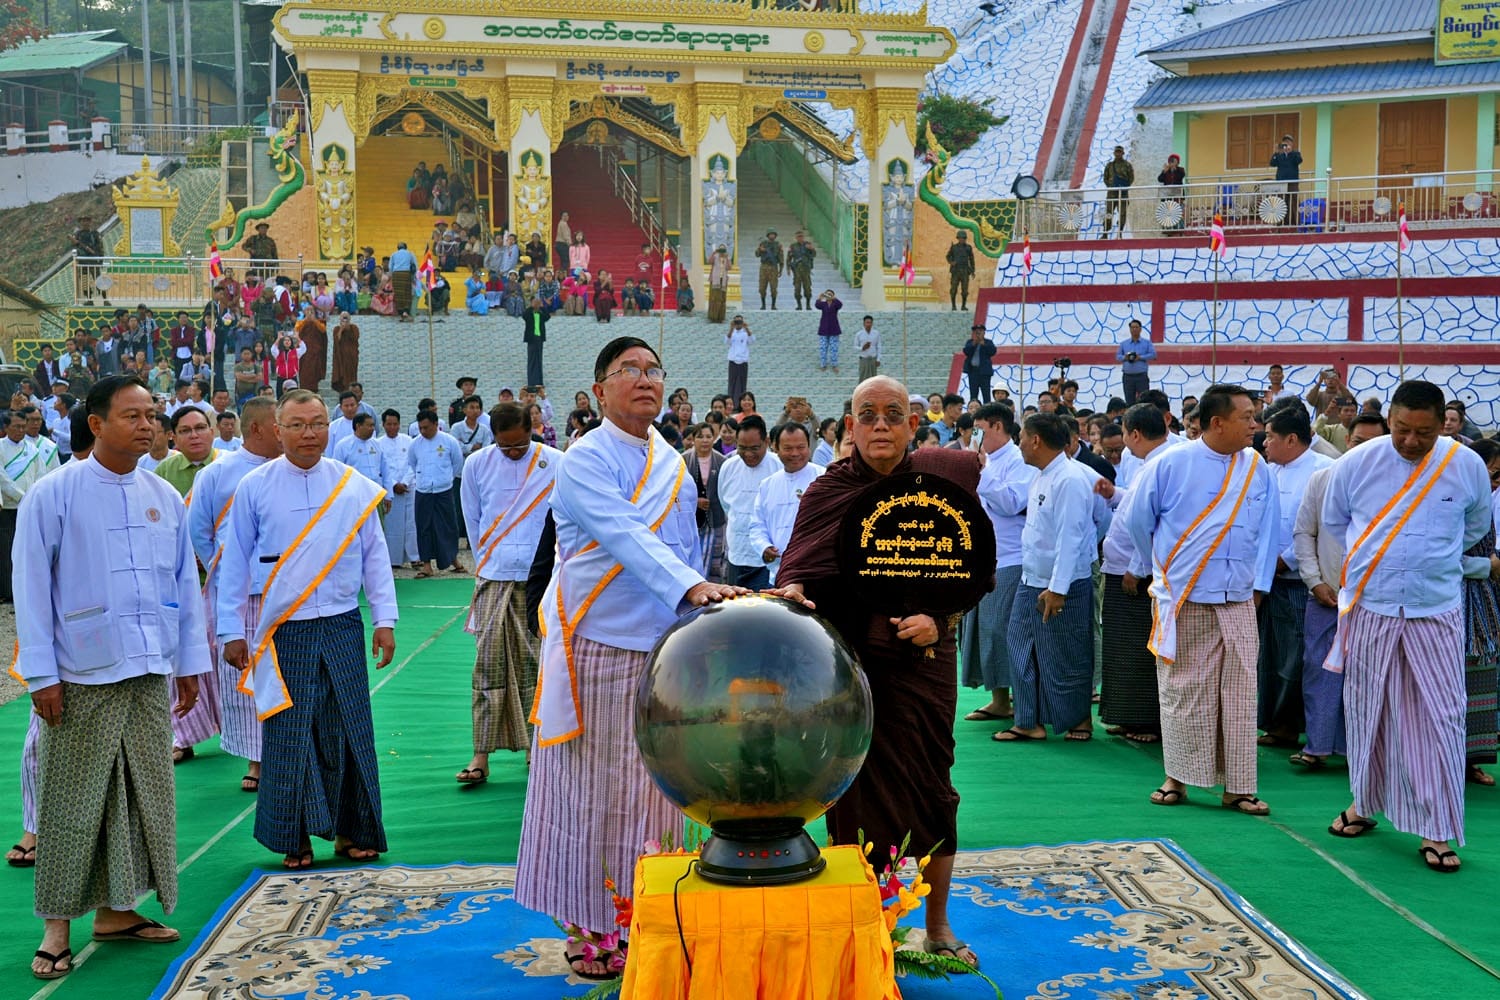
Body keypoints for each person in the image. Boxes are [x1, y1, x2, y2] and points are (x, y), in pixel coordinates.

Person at [516, 337, 743, 980]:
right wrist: (691, 588)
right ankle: (591, 924)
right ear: (601, 386)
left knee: (658, 791)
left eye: (652, 370)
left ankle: (649, 914)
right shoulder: (582, 459)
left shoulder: (667, 458)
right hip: (596, 645)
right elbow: (626, 536)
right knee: (592, 789)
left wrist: (698, 607)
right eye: (629, 371)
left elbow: (681, 545)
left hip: (663, 647)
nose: (644, 380)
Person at [772, 374, 984, 969]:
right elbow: (801, 567)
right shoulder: (827, 492)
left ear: (914, 425)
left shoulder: (941, 484)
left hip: (923, 662)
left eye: (894, 414)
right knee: (853, 792)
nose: (882, 425)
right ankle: (862, 924)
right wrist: (792, 588)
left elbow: (972, 570)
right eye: (869, 415)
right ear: (850, 427)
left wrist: (942, 620)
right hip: (851, 665)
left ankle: (937, 924)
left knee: (932, 788)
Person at [16, 375, 211, 979]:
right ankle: (56, 926)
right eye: (133, 416)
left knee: (141, 793)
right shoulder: (53, 494)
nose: (148, 425)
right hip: (80, 673)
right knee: (72, 802)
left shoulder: (162, 494)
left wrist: (189, 664)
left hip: (150, 665)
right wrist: (41, 675)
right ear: (96, 424)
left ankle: (118, 911)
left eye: (152, 414)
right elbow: (30, 590)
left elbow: (183, 583)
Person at [218, 389, 396, 870]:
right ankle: (292, 837)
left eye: (317, 423)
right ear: (278, 429)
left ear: (330, 425)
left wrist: (384, 621)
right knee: (288, 731)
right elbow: (234, 562)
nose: (309, 433)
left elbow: (375, 557)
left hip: (341, 622)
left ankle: (352, 831)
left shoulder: (352, 486)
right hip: (284, 629)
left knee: (350, 728)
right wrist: (230, 629)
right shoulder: (255, 486)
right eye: (297, 424)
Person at [1321, 380, 1491, 872]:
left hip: (1435, 608)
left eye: (1424, 432)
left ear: (1443, 425)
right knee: (1367, 709)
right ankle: (1363, 803)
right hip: (1371, 604)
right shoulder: (1357, 462)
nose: (1411, 441)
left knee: (1441, 717)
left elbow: (1475, 526)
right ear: (1389, 418)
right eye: (1401, 430)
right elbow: (1336, 523)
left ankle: (1436, 830)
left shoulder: (1467, 466)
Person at [1124, 384, 1278, 815]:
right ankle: (1176, 778)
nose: (1255, 425)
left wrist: (1259, 585)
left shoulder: (1256, 467)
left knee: (1241, 692)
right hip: (1185, 595)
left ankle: (1239, 787)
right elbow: (1139, 522)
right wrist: (1163, 572)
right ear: (1218, 422)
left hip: (1239, 598)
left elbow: (1267, 530)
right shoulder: (1171, 463)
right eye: (1247, 417)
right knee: (1185, 691)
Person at [457, 403, 561, 783]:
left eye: (521, 444)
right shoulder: (477, 465)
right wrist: (489, 563)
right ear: (494, 438)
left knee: (539, 667)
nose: (514, 451)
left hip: (540, 581)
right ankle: (480, 755)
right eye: (506, 446)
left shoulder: (556, 462)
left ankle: (539, 751)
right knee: (487, 665)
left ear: (532, 429)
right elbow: (472, 520)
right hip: (494, 577)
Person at [186, 396, 281, 795]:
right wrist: (227, 571)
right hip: (237, 594)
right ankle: (256, 760)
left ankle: (290, 754)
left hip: (287, 592)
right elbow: (198, 532)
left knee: (289, 675)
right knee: (242, 678)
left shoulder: (292, 470)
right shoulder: (217, 473)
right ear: (257, 428)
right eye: (282, 425)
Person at [1290, 413, 1387, 770]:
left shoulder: (1395, 487)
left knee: (1368, 675)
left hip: (1374, 601)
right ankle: (1316, 747)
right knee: (1319, 670)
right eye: (1359, 441)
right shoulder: (1323, 479)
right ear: (1348, 440)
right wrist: (1314, 581)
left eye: (1375, 443)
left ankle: (1358, 751)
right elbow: (1304, 534)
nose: (1365, 449)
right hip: (1326, 596)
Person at [995, 413, 1100, 742]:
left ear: (1036, 440)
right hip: (1031, 579)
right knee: (1018, 645)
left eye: (1022, 437)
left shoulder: (1069, 479)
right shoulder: (1039, 475)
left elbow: (1071, 539)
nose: (1019, 444)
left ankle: (1079, 719)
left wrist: (1058, 589)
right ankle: (1028, 720)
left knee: (1067, 652)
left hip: (1062, 584)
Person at [1257, 405, 1334, 748]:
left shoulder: (1325, 470)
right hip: (1263, 580)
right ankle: (1277, 724)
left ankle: (1298, 726)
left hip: (1302, 581)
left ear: (1291, 438)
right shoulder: (1265, 471)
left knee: (1298, 656)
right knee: (1267, 656)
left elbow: (1319, 528)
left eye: (1270, 437)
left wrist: (1285, 561)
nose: (1265, 444)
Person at [1097, 403, 1171, 744]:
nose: (1124, 442)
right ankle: (1128, 716)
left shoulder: (1164, 462)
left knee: (1138, 650)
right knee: (1121, 648)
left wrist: (1137, 567)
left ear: (1135, 434)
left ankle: (1145, 721)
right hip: (1125, 566)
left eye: (1125, 434)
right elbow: (1135, 507)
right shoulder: (1148, 463)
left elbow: (1149, 523)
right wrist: (1115, 495)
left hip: (1137, 572)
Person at [961, 402, 1034, 725]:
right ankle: (998, 698)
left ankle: (1016, 698)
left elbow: (1012, 502)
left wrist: (984, 470)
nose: (976, 437)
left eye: (980, 430)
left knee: (1003, 629)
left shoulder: (1019, 461)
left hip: (1010, 556)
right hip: (981, 557)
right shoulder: (982, 462)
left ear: (998, 427)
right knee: (983, 629)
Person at [747, 423, 824, 586]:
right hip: (778, 575)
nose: (795, 453)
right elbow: (757, 525)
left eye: (801, 447)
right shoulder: (767, 485)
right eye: (788, 448)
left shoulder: (824, 478)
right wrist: (764, 547)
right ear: (776, 448)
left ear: (809, 447)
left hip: (816, 575)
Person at [717, 414, 784, 591]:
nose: (748, 454)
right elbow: (725, 504)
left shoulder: (779, 467)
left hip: (769, 559)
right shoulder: (728, 467)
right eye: (742, 448)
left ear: (767, 442)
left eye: (755, 448)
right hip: (737, 553)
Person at [407, 411, 465, 578]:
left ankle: (453, 560)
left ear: (435, 424)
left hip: (443, 490)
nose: (423, 431)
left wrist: (444, 479)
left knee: (448, 526)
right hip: (423, 490)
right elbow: (412, 463)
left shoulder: (449, 441)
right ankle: (426, 565)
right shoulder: (415, 444)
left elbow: (457, 463)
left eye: (426, 427)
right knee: (424, 526)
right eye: (420, 428)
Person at [378, 410, 420, 569]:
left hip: (408, 487)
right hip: (391, 489)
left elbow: (413, 464)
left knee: (411, 523)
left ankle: (415, 557)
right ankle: (393, 559)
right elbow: (382, 468)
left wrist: (405, 482)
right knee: (392, 524)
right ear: (383, 425)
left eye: (395, 424)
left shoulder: (409, 441)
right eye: (389, 424)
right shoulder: (378, 443)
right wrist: (394, 484)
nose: (392, 427)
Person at [685, 423, 726, 582]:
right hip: (690, 519)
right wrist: (694, 501)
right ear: (693, 439)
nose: (704, 440)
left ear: (714, 438)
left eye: (708, 436)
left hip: (714, 517)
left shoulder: (721, 461)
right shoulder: (684, 459)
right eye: (700, 437)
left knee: (713, 560)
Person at [1117, 319, 1155, 403]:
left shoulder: (1147, 343)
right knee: (1129, 400)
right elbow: (1118, 357)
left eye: (1136, 327)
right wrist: (1125, 358)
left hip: (1141, 376)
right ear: (1130, 329)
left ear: (1140, 329)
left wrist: (1140, 357)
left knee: (1145, 400)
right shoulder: (1124, 344)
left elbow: (1153, 355)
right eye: (1132, 327)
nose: (1134, 329)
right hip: (1128, 377)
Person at [1102, 145, 1134, 239]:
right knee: (1108, 213)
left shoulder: (1127, 165)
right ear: (1114, 153)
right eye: (1117, 152)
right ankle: (1105, 232)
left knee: (1122, 213)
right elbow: (1105, 178)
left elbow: (1131, 178)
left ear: (1122, 153)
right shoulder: (1109, 165)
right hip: (1112, 194)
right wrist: (1111, 187)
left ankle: (1120, 232)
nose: (1118, 154)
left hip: (1123, 193)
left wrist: (1124, 187)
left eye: (1120, 152)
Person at [1270, 134, 1302, 226]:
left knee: (1294, 203)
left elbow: (1299, 160)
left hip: (1292, 183)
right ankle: (1280, 224)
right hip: (1281, 183)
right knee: (1281, 203)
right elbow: (1272, 163)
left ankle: (1296, 224)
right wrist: (1276, 152)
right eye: (1285, 142)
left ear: (1292, 144)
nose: (1286, 144)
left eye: (1288, 142)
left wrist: (1291, 151)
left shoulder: (1296, 154)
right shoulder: (1279, 155)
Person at [961, 324, 997, 403]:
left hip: (984, 372)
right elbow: (966, 351)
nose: (978, 333)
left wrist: (983, 343)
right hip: (973, 371)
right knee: (973, 394)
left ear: (984, 333)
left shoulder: (988, 342)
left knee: (986, 394)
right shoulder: (970, 342)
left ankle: (987, 411)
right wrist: (974, 343)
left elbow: (992, 351)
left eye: (980, 331)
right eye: (976, 332)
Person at [522, 297, 548, 390]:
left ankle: (539, 382)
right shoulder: (529, 313)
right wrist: (531, 307)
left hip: (539, 338)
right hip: (531, 339)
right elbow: (524, 316)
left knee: (539, 360)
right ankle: (532, 382)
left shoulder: (540, 313)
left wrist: (542, 307)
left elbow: (547, 317)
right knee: (532, 360)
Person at [329, 312, 360, 392]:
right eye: (343, 317)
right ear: (340, 319)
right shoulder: (336, 329)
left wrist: (348, 327)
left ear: (349, 319)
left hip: (351, 356)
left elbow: (355, 338)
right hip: (341, 357)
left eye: (346, 317)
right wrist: (341, 329)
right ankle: (343, 389)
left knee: (351, 373)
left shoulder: (354, 328)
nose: (345, 319)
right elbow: (337, 340)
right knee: (341, 372)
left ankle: (352, 389)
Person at [946, 231, 975, 311]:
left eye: (964, 238)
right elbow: (948, 256)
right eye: (960, 238)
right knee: (953, 289)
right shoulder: (954, 247)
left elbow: (971, 259)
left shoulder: (968, 247)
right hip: (955, 271)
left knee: (965, 290)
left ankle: (963, 306)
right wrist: (952, 262)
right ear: (958, 238)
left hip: (965, 271)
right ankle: (953, 306)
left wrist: (973, 271)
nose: (962, 239)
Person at [787, 231, 817, 310]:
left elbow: (813, 255)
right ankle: (799, 305)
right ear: (796, 238)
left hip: (806, 269)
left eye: (801, 236)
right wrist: (788, 268)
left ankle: (808, 305)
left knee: (807, 287)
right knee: (797, 288)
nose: (800, 238)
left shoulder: (807, 244)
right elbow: (789, 258)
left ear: (803, 237)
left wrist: (812, 249)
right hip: (797, 271)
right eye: (798, 236)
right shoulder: (793, 246)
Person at [814, 290, 842, 372]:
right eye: (828, 294)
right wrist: (820, 297)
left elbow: (840, 305)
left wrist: (834, 298)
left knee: (834, 349)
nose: (829, 296)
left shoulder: (835, 304)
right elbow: (817, 305)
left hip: (834, 329)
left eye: (830, 294)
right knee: (823, 348)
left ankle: (834, 365)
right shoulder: (823, 304)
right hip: (824, 329)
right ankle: (823, 365)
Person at [755, 229, 783, 309]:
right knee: (762, 288)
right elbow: (757, 254)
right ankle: (763, 305)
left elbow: (781, 258)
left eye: (773, 234)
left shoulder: (778, 245)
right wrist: (760, 250)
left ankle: (773, 305)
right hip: (764, 267)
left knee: (774, 288)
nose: (772, 236)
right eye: (770, 234)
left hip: (773, 267)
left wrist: (781, 270)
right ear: (768, 235)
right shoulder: (763, 243)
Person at [1157, 154, 1186, 230]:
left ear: (1177, 162)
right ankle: (1167, 229)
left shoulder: (1180, 170)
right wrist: (1164, 172)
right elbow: (1160, 179)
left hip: (1178, 195)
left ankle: (1180, 228)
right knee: (1167, 211)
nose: (1171, 163)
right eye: (1170, 161)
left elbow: (1181, 176)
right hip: (1167, 195)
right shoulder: (1166, 170)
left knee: (1178, 211)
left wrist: (1175, 169)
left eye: (1174, 161)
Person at [854, 315, 883, 383]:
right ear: (864, 323)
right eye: (867, 322)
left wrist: (878, 359)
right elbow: (855, 347)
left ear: (872, 323)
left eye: (870, 322)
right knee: (862, 378)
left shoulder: (876, 333)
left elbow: (879, 347)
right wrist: (862, 348)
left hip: (873, 359)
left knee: (873, 379)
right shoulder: (859, 334)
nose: (868, 324)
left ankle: (873, 393)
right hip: (863, 359)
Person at [707, 245, 730, 323]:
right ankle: (713, 317)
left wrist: (727, 258)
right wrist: (714, 253)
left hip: (723, 281)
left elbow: (729, 267)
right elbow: (709, 262)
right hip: (715, 280)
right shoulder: (715, 257)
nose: (722, 252)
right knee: (714, 298)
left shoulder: (727, 258)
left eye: (723, 250)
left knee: (721, 299)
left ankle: (720, 317)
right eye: (721, 250)